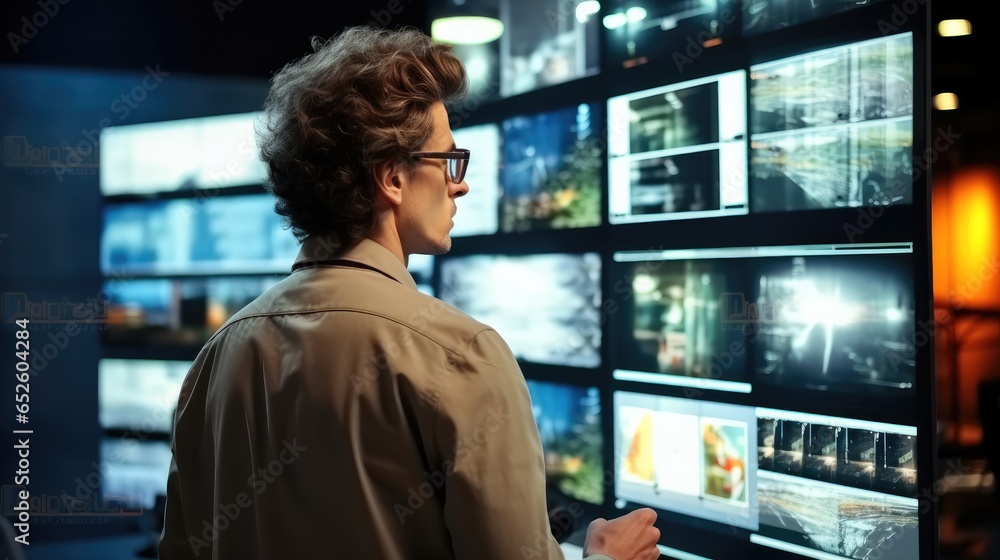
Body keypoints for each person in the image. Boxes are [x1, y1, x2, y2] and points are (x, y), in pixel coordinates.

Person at [157, 25, 661, 560]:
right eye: (447, 160)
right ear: (392, 177)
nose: (459, 183)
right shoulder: (461, 354)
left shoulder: (216, 360)